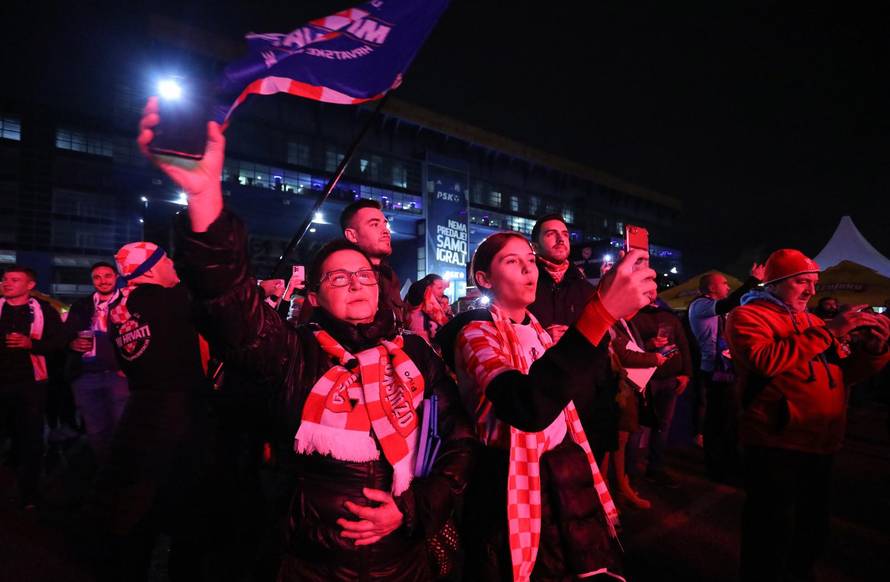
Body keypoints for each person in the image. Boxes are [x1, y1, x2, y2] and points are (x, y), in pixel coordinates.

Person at [139, 97, 476, 581]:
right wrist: (204, 196)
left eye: (361, 275)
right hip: (308, 560)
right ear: (314, 297)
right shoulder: (293, 351)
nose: (356, 283)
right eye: (338, 279)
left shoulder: (417, 355)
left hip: (407, 559)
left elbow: (458, 441)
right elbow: (230, 303)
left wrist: (417, 507)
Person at [436, 232, 656, 581]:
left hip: (561, 477)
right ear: (484, 279)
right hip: (506, 486)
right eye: (512, 261)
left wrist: (591, 332)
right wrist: (599, 314)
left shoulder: (539, 331)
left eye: (529, 258)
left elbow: (564, 399)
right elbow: (528, 408)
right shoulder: (476, 334)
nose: (529, 268)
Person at [725, 249, 890, 582]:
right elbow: (764, 360)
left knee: (812, 526)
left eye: (814, 283)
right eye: (802, 282)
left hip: (821, 439)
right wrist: (830, 331)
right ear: (774, 284)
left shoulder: (813, 321)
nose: (812, 291)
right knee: (770, 529)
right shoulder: (746, 316)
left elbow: (843, 372)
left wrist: (875, 351)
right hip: (776, 439)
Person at [87, 242, 213, 581]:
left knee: (134, 498)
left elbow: (124, 365)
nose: (173, 264)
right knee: (185, 498)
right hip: (182, 411)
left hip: (139, 408)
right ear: (154, 268)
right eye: (168, 259)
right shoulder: (177, 299)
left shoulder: (118, 310)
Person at [527, 214, 619, 461]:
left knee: (588, 471)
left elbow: (604, 342)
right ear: (534, 246)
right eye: (551, 234)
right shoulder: (525, 285)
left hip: (585, 396)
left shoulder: (586, 289)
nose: (560, 239)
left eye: (565, 234)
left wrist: (581, 338)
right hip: (541, 393)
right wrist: (542, 338)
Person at [688, 266, 764, 481]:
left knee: (729, 417)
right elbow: (728, 303)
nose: (728, 286)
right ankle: (717, 467)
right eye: (723, 283)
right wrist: (751, 280)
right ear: (711, 287)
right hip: (714, 370)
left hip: (727, 368)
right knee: (719, 419)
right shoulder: (701, 305)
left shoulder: (716, 308)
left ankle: (728, 462)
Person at [0, 265, 65, 509]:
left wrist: (32, 344)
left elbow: (58, 342)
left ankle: (29, 492)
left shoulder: (44, 311)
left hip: (30, 385)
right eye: (5, 279)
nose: (7, 283)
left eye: (14, 280)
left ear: (30, 285)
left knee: (31, 439)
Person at [299, 198, 406, 325]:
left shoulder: (389, 276)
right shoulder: (327, 274)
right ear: (352, 235)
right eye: (374, 224)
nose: (386, 231)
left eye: (385, 224)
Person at [63, 261, 129, 464]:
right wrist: (71, 342)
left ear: (116, 277)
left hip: (118, 374)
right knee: (95, 429)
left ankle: (122, 470)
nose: (102, 281)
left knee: (122, 426)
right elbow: (64, 335)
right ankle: (103, 471)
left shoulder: (127, 302)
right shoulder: (81, 305)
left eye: (107, 276)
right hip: (85, 376)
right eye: (97, 277)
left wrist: (127, 367)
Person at [628, 298, 693, 487]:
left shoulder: (669, 316)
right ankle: (629, 475)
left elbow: (683, 344)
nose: (652, 292)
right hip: (645, 379)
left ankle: (655, 468)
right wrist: (648, 345)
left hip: (670, 377)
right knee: (636, 427)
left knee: (662, 425)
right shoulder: (632, 316)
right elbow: (626, 348)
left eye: (654, 288)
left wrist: (686, 373)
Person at [404, 274, 451, 344]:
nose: (442, 292)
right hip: (419, 343)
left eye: (443, 289)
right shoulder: (419, 296)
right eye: (439, 288)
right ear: (428, 287)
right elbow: (443, 322)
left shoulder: (433, 303)